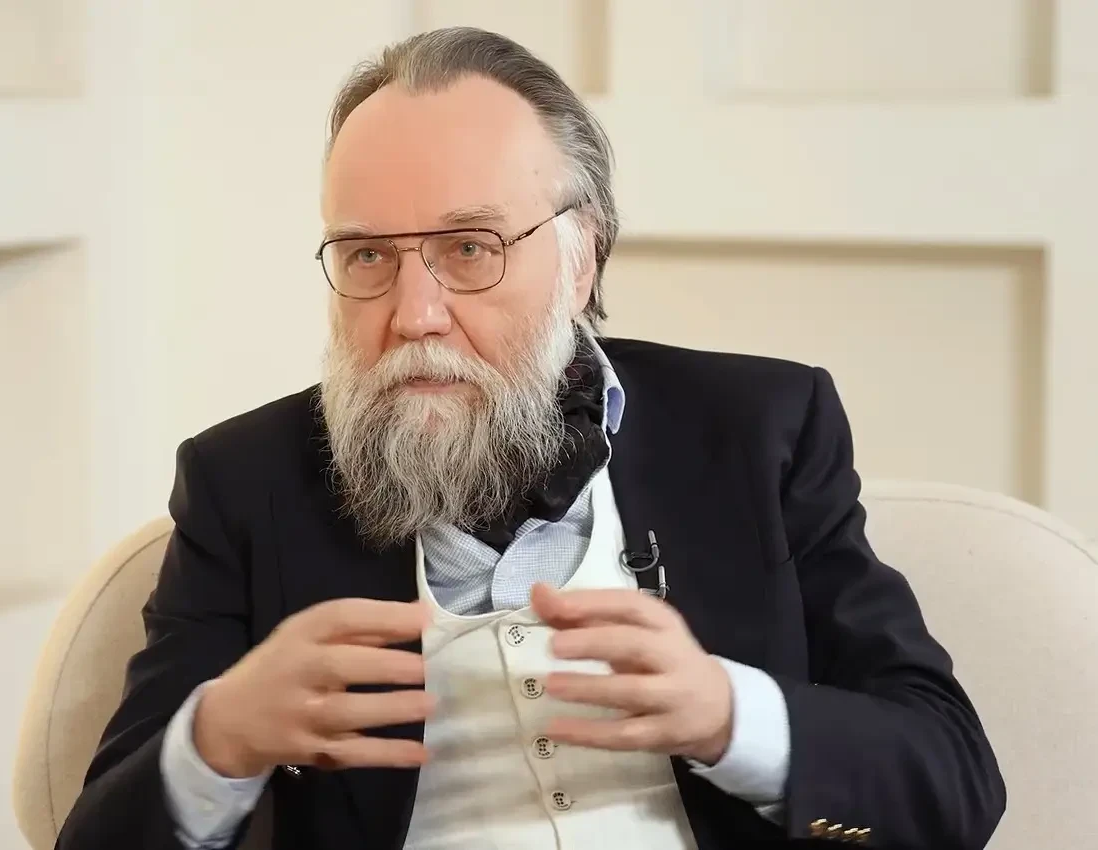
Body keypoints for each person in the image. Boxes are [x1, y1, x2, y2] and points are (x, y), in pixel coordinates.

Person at [55, 26, 1005, 850]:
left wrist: (726, 714)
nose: (414, 314)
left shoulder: (759, 429)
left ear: (581, 253)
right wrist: (218, 739)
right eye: (368, 255)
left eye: (469, 248)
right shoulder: (242, 483)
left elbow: (952, 785)